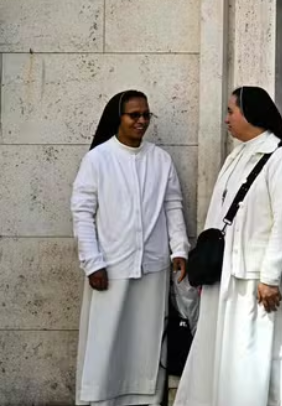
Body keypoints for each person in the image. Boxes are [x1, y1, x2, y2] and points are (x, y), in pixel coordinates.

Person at [175, 86, 282, 406]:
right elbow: (217, 216)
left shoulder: (281, 158)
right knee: (217, 352)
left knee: (253, 359)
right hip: (223, 274)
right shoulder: (236, 155)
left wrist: (270, 277)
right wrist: (206, 268)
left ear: (251, 114)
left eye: (231, 111)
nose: (226, 119)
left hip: (255, 279)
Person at [70, 90, 190, 406]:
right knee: (107, 340)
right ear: (118, 117)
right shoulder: (97, 159)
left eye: (146, 115)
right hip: (110, 268)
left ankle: (146, 401)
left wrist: (179, 249)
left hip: (152, 268)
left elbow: (172, 206)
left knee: (146, 342)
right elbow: (82, 212)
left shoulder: (160, 159)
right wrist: (92, 262)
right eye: (134, 115)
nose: (141, 121)